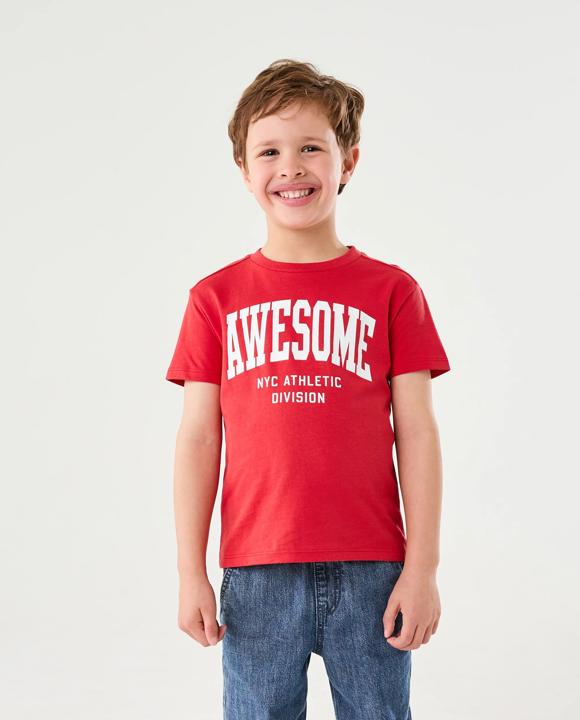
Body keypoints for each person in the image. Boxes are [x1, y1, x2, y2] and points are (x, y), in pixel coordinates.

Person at [165, 58, 451, 720]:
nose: (290, 167)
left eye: (311, 148)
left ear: (348, 161)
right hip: (256, 571)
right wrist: (189, 572)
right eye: (269, 151)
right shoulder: (215, 299)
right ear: (244, 170)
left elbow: (417, 433)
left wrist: (423, 569)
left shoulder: (393, 292)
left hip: (373, 569)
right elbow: (199, 439)